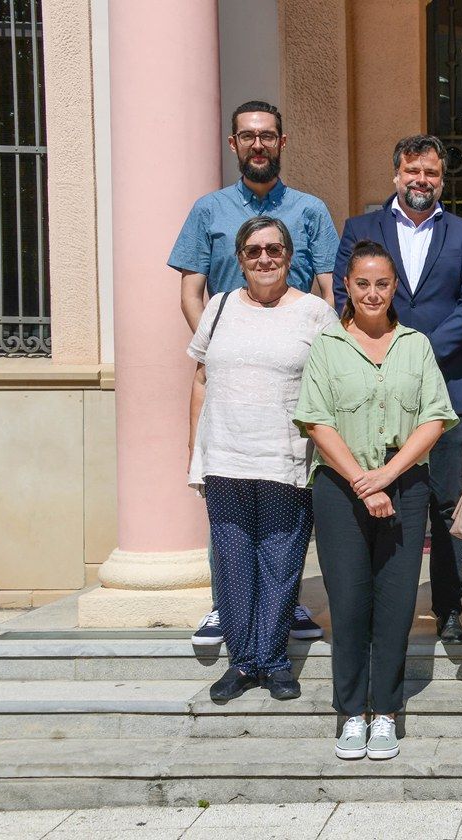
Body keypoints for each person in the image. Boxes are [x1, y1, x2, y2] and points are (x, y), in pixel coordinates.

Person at [170, 100, 338, 646]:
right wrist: (216, 347)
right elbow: (191, 290)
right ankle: (227, 606)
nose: (258, 144)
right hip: (231, 370)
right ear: (233, 144)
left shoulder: (311, 210)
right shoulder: (207, 210)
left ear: (282, 143)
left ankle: (283, 607)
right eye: (248, 136)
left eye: (267, 136)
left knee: (285, 503)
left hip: (291, 372)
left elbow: (330, 291)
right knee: (230, 501)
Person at [294, 239, 457, 761]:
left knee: (395, 603)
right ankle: (350, 713)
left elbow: (435, 416)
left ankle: (384, 711)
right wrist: (365, 483)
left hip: (404, 486)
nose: (371, 292)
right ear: (347, 285)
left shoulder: (416, 345)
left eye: (381, 284)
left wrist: (387, 475)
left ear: (394, 289)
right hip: (341, 490)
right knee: (348, 602)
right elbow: (316, 420)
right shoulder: (326, 346)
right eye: (362, 283)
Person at [334, 134, 462, 645]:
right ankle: (383, 606)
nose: (421, 181)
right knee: (382, 496)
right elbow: (346, 292)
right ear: (395, 175)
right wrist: (391, 352)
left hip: (446, 391)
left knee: (446, 504)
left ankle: (449, 607)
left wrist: (415, 351)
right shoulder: (361, 229)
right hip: (371, 391)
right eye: (412, 172)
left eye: (431, 173)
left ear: (443, 180)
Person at [187, 216, 337, 702]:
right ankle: (241, 662)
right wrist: (196, 452)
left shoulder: (314, 312)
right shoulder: (220, 305)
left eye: (274, 249)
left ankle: (272, 661)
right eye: (253, 251)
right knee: (232, 561)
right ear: (240, 259)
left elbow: (333, 384)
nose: (265, 259)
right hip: (225, 455)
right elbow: (201, 380)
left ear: (290, 258)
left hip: (285, 459)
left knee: (280, 560)